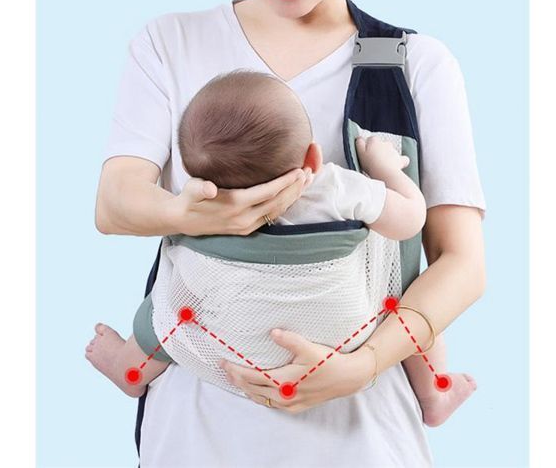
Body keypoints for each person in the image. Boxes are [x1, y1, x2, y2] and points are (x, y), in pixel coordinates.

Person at [95, 0, 486, 467]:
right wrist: (196, 214)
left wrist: (363, 366)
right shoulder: (171, 44)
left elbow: (463, 264)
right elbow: (114, 203)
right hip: (195, 437)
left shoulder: (410, 63)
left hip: (365, 439)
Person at [89, 70, 475, 427]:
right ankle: (433, 394)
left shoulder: (200, 205)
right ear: (313, 157)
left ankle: (127, 370)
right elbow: (410, 220)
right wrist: (385, 169)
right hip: (348, 334)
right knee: (407, 295)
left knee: (163, 314)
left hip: (227, 341)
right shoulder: (334, 186)